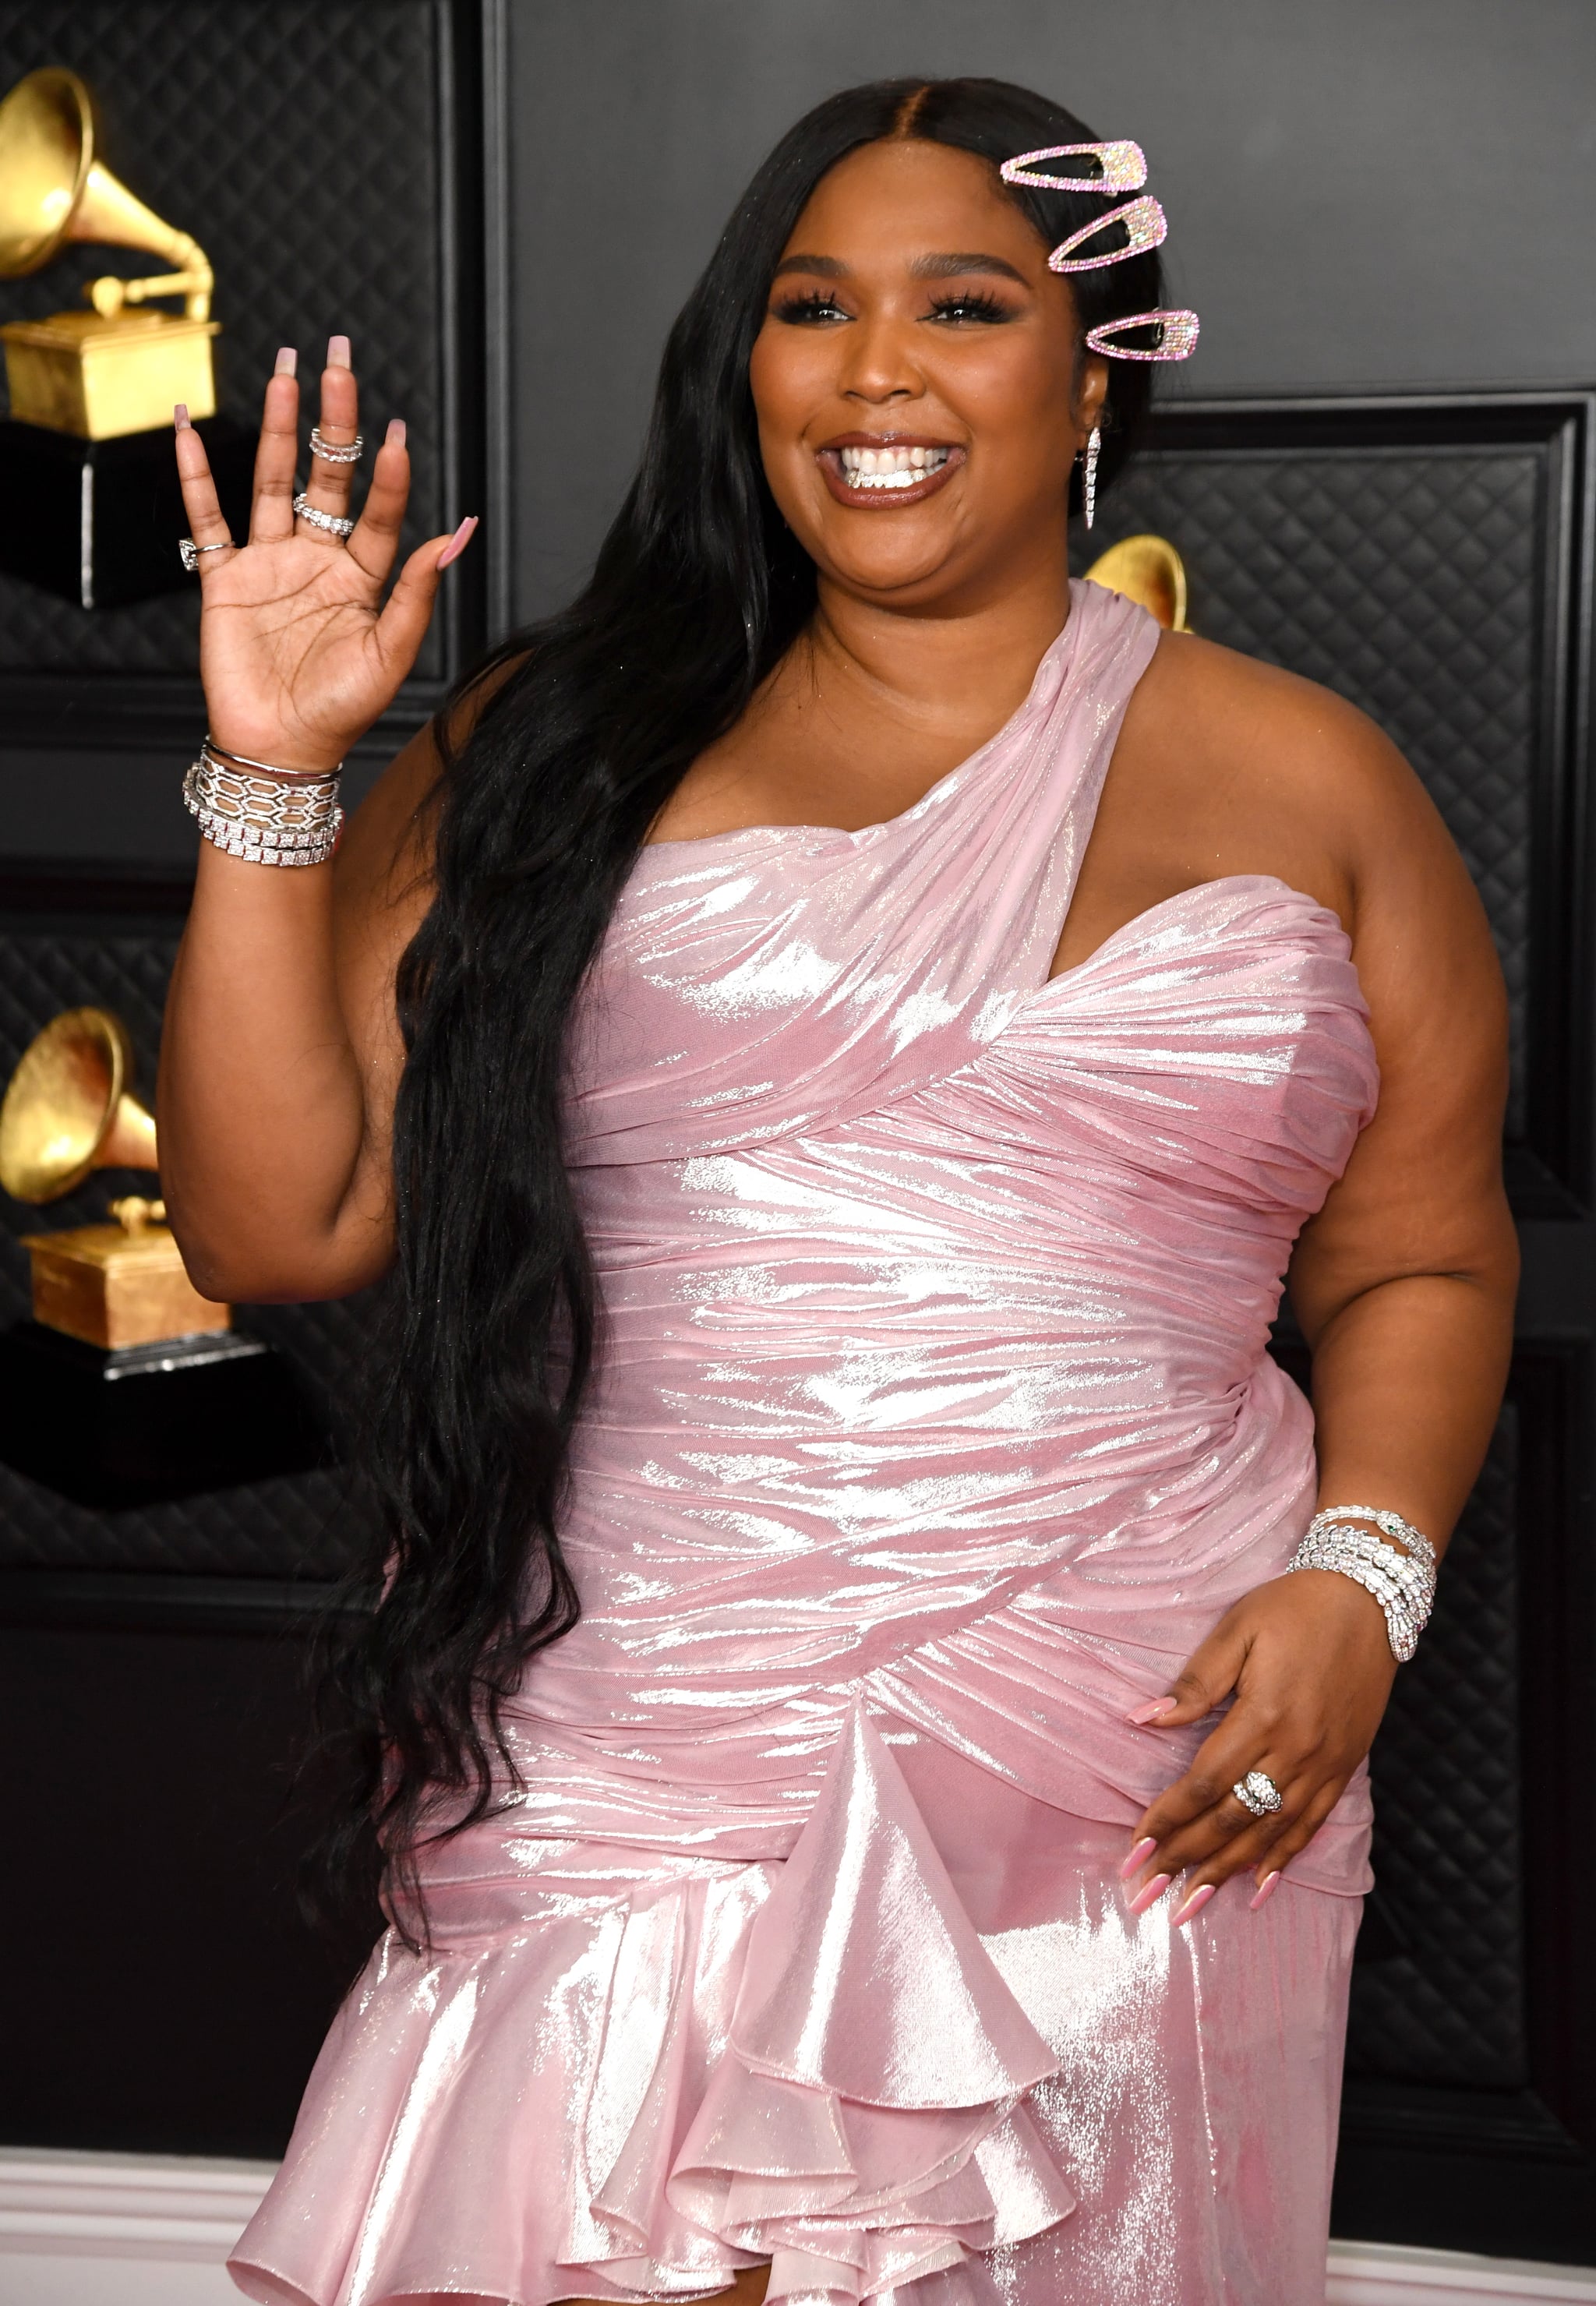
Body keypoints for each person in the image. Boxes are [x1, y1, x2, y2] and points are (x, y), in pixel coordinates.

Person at [163, 75, 1514, 2306]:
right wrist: (276, 773)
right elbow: (274, 1226)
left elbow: (1426, 1254)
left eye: (963, 306)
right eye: (812, 308)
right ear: (746, 369)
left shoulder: (1312, 775)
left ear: (1101, 365)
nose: (875, 373)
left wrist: (1365, 1581)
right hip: (650, 1716)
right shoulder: (568, 747)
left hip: (1146, 1734)